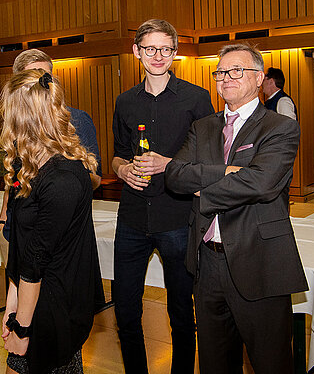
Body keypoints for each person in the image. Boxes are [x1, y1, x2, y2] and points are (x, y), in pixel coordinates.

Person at [165, 43, 308, 373]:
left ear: (259, 78)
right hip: (207, 264)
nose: (226, 77)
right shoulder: (203, 127)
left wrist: (202, 188)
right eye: (220, 72)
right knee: (216, 363)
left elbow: (261, 182)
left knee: (271, 363)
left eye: (236, 70)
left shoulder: (279, 126)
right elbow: (174, 175)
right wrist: (225, 173)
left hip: (258, 260)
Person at [111, 19, 214, 373]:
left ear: (175, 53)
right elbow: (116, 154)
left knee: (181, 312)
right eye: (150, 48)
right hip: (132, 218)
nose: (158, 55)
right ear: (137, 51)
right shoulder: (124, 101)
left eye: (166, 49)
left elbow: (210, 161)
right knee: (124, 310)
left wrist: (167, 163)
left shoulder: (197, 99)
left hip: (177, 217)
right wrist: (122, 169)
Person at [0, 68, 103, 374]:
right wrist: (11, 306)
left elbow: (36, 262)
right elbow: (21, 248)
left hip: (54, 305)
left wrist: (23, 328)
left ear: (21, 118)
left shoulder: (62, 177)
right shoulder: (28, 167)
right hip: (33, 299)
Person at [0, 48, 102, 267]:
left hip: (59, 236)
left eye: (46, 78)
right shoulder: (17, 123)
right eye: (33, 79)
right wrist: (3, 218)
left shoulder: (77, 121)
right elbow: (15, 175)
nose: (41, 86)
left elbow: (94, 179)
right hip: (15, 230)